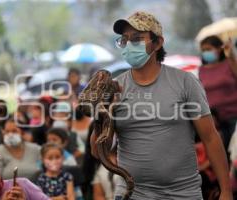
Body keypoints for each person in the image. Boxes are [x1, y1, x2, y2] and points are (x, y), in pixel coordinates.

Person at [90, 11, 232, 199]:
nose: (129, 45)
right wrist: (103, 113)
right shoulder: (114, 88)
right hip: (132, 193)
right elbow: (96, 151)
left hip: (183, 193)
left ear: (157, 43)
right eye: (124, 40)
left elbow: (210, 138)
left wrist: (226, 191)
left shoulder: (184, 82)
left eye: (137, 39)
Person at [199, 35, 237, 154]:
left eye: (209, 49)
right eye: (203, 50)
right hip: (215, 120)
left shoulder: (229, 63)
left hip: (234, 116)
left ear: (219, 49)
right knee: (222, 153)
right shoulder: (201, 70)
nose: (206, 52)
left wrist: (231, 54)